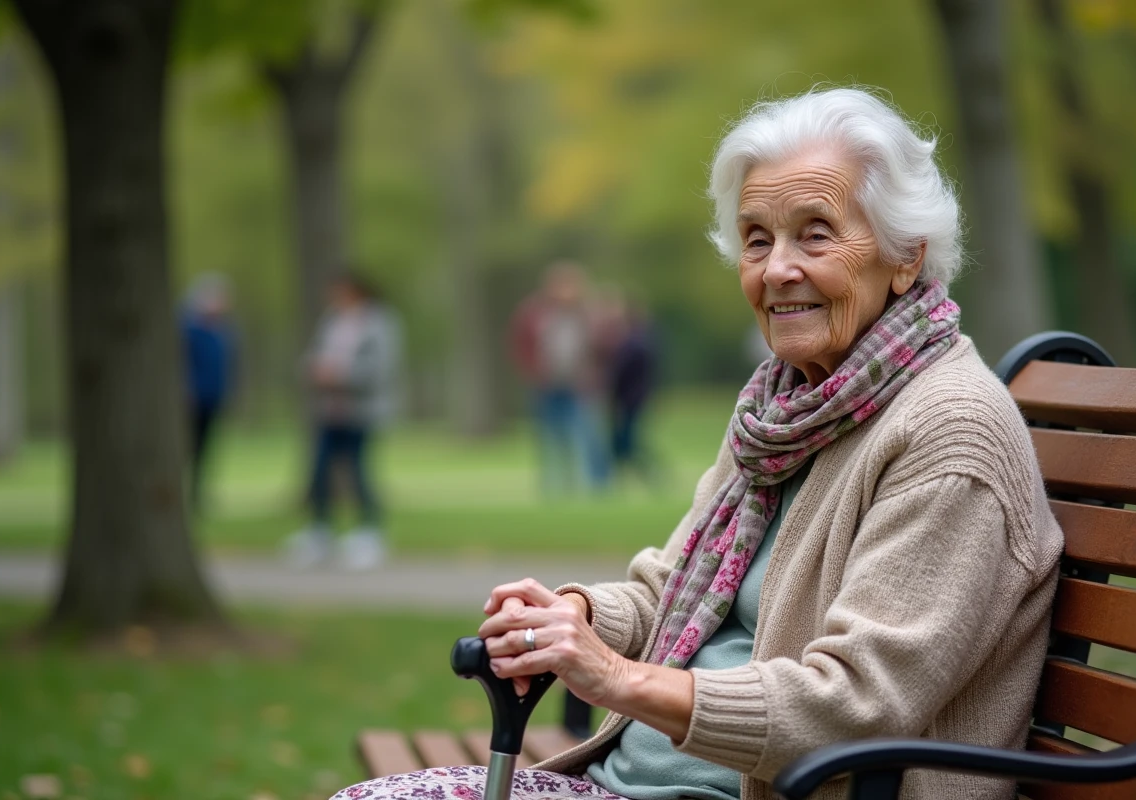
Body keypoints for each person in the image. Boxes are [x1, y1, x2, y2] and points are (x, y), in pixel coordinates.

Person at [331, 88, 1063, 800]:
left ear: (906, 256)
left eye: (815, 232)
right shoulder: (783, 407)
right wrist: (574, 621)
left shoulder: (950, 431)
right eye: (756, 238)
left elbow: (857, 703)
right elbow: (670, 589)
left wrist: (616, 679)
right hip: (629, 778)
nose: (777, 268)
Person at [288, 271, 402, 570]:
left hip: (360, 411)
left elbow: (381, 368)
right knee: (320, 470)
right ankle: (320, 531)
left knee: (359, 469)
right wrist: (314, 371)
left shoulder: (379, 323)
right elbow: (313, 355)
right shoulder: (332, 321)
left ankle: (369, 532)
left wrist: (340, 376)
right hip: (329, 411)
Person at [510, 262, 611, 494]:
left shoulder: (590, 314)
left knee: (588, 436)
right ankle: (554, 488)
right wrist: (532, 372)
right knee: (550, 439)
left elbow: (605, 348)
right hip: (546, 387)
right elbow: (521, 345)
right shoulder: (534, 313)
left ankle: (597, 487)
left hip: (580, 388)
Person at [181, 273, 238, 511]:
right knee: (185, 447)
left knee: (204, 450)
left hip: (213, 398)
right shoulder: (188, 329)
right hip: (190, 400)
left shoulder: (223, 331)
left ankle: (197, 495)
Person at [606, 297, 659, 486]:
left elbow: (622, 374)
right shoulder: (640, 342)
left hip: (630, 399)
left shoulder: (634, 345)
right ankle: (620, 477)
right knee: (624, 441)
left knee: (627, 442)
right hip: (631, 398)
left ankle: (651, 473)